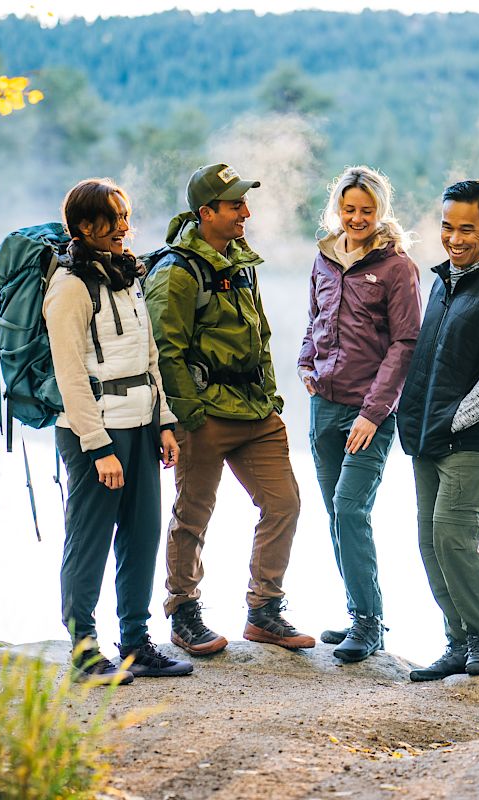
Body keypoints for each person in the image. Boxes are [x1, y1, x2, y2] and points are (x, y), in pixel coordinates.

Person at [147, 163, 316, 653]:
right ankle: (184, 613)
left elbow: (259, 333)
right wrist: (188, 418)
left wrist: (271, 395)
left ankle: (264, 610)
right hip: (204, 416)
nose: (246, 212)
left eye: (245, 202)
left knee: (284, 503)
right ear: (206, 213)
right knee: (193, 514)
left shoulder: (240, 263)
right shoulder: (177, 272)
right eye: (235, 205)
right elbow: (165, 351)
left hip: (255, 412)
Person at [46, 178, 194, 684]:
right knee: (88, 538)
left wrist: (165, 422)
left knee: (141, 534)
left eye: (127, 218)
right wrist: (98, 447)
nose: (125, 229)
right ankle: (84, 651)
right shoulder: (69, 288)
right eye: (115, 220)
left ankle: (134, 643)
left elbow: (148, 355)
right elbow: (69, 374)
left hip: (139, 424)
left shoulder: (127, 276)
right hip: (94, 434)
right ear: (85, 227)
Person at [396, 180, 479, 682]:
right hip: (426, 435)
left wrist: (456, 419)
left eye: (466, 229)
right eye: (447, 227)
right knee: (430, 541)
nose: (454, 238)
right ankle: (456, 642)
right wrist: (416, 416)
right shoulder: (442, 281)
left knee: (455, 535)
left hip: (470, 438)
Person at [300, 166, 421, 663]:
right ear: (337, 209)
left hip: (370, 414)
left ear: (381, 211)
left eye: (366, 210)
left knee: (352, 509)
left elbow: (406, 343)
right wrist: (306, 361)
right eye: (349, 210)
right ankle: (357, 614)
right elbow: (314, 319)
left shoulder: (397, 268)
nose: (356, 218)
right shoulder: (324, 260)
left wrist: (374, 411)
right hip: (322, 407)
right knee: (335, 515)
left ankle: (370, 624)